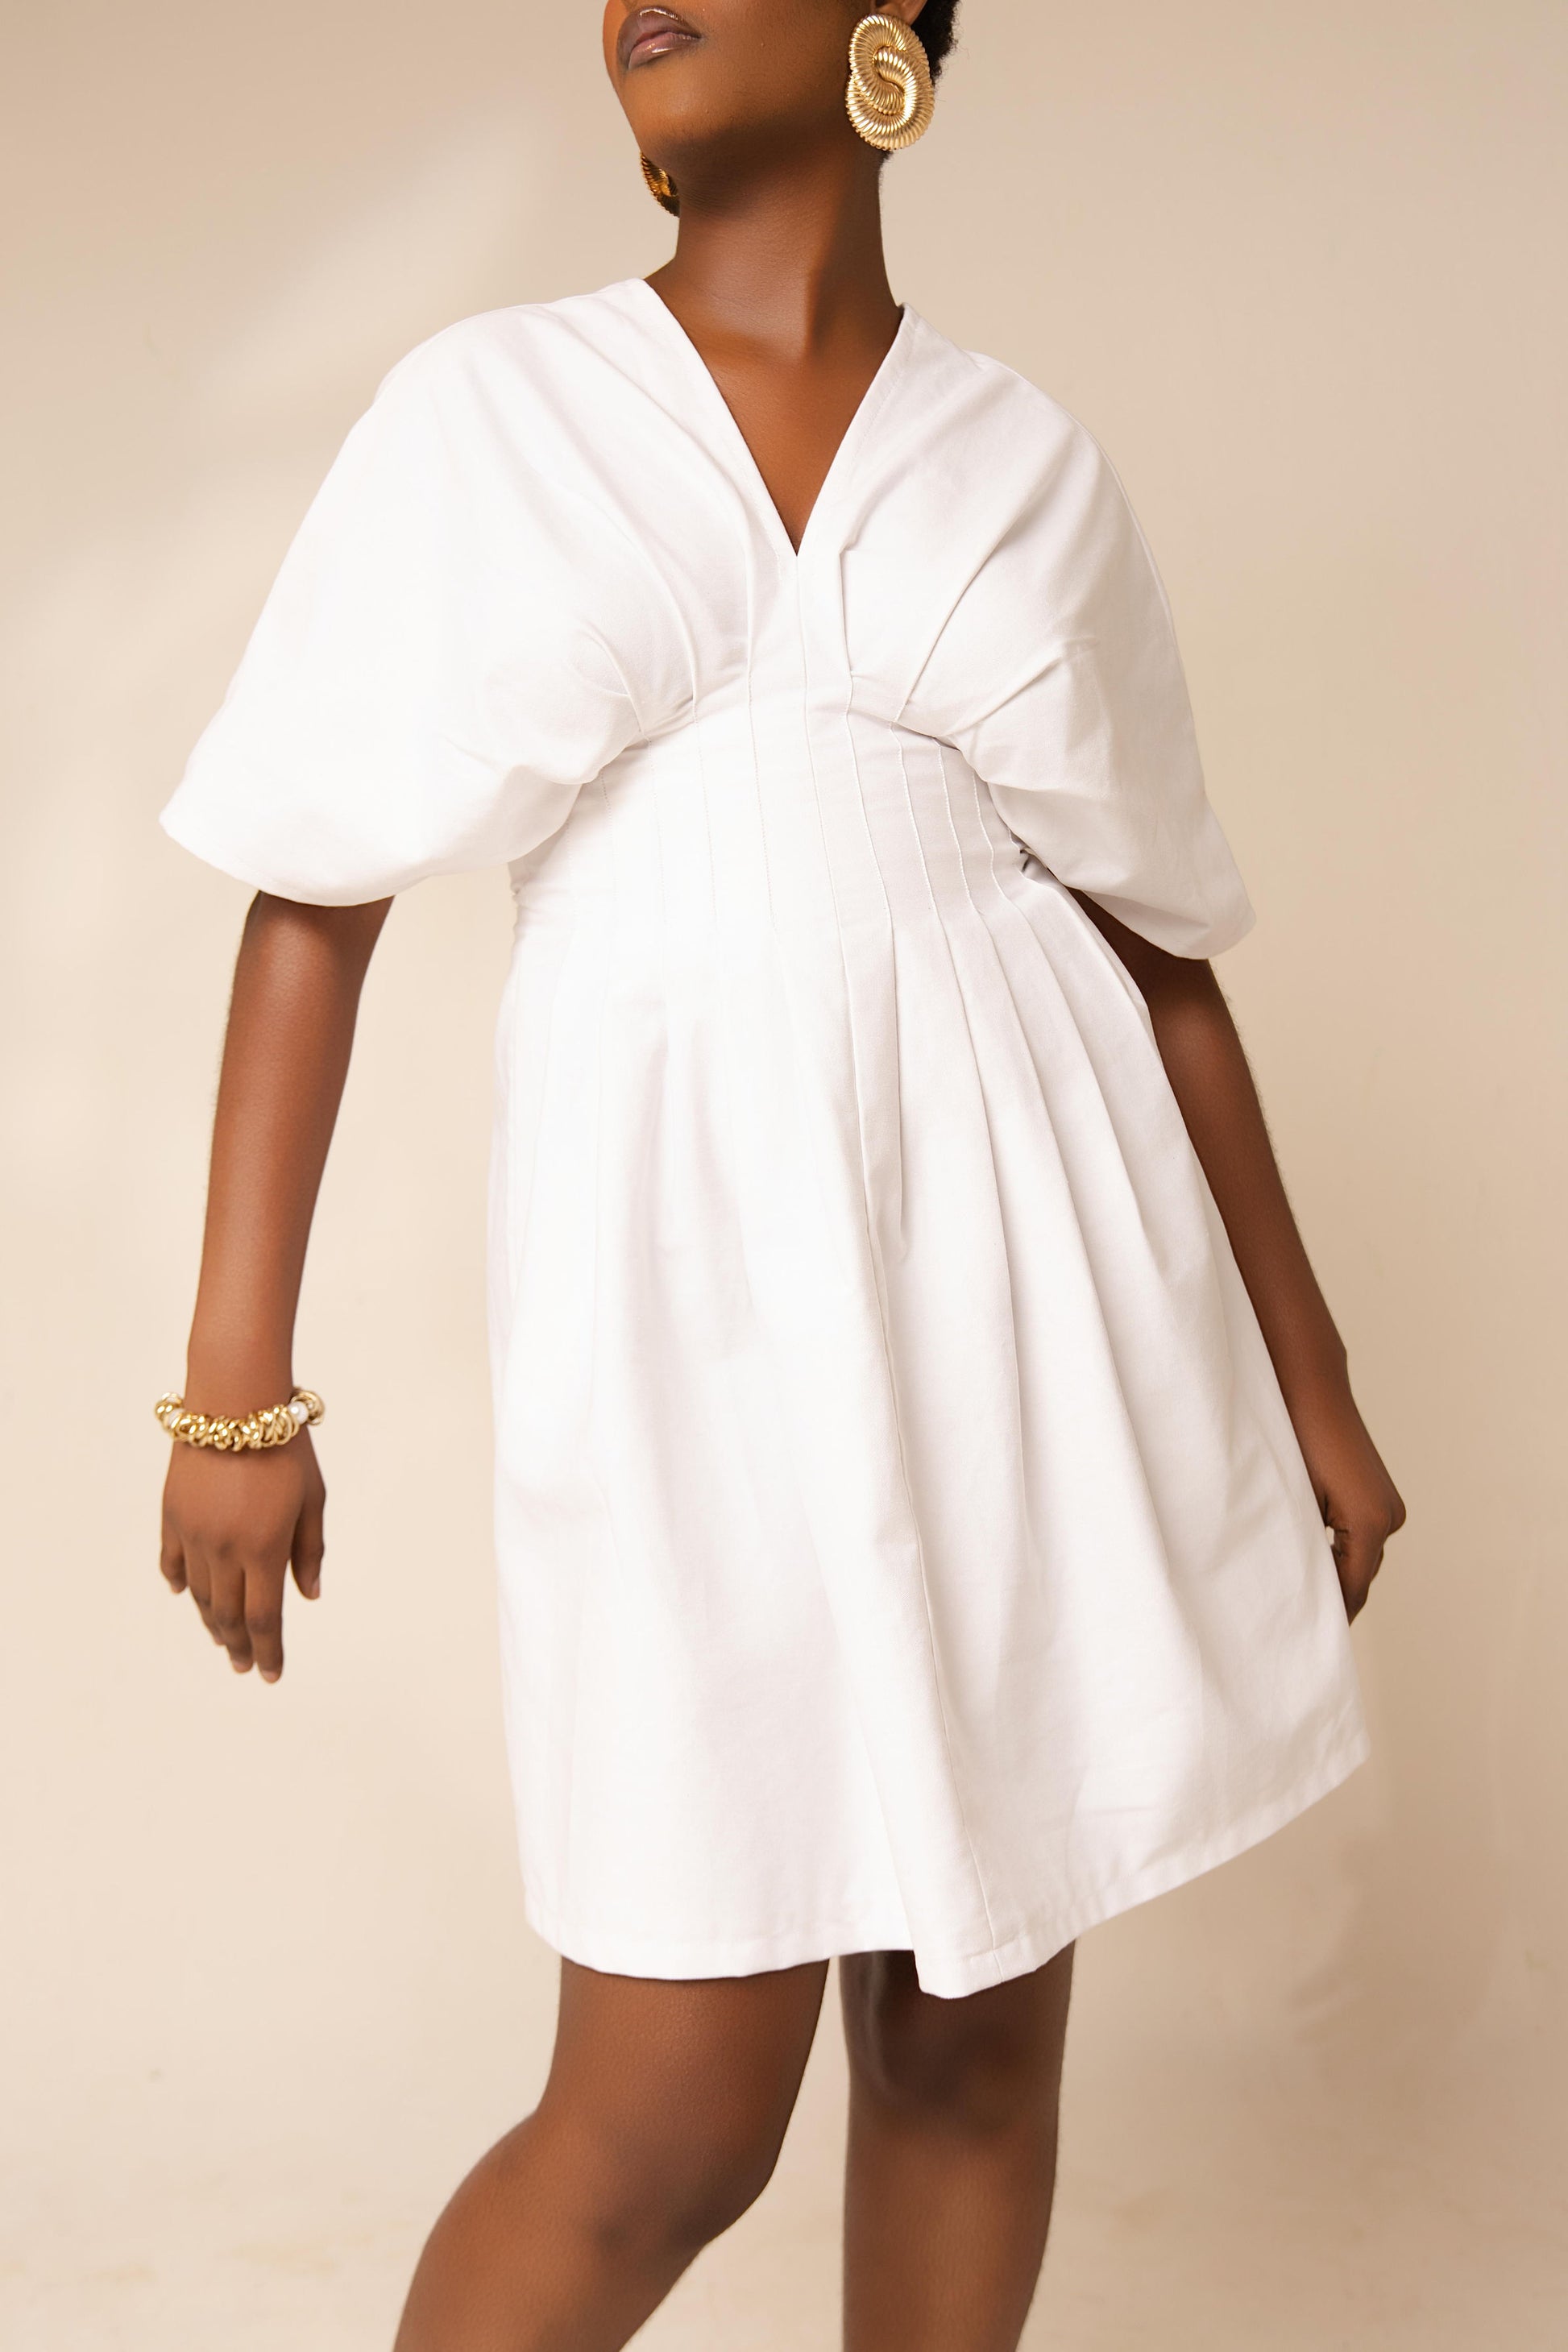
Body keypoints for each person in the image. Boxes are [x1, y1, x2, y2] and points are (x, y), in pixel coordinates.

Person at [154, 2, 1407, 2345]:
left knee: (968, 2046)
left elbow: (1159, 951)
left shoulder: (1023, 460)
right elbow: (311, 894)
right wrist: (237, 1384)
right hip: (682, 1308)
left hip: (1024, 1295)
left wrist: (1310, 1386)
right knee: (667, 2120)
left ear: (891, 28)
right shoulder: (495, 411)